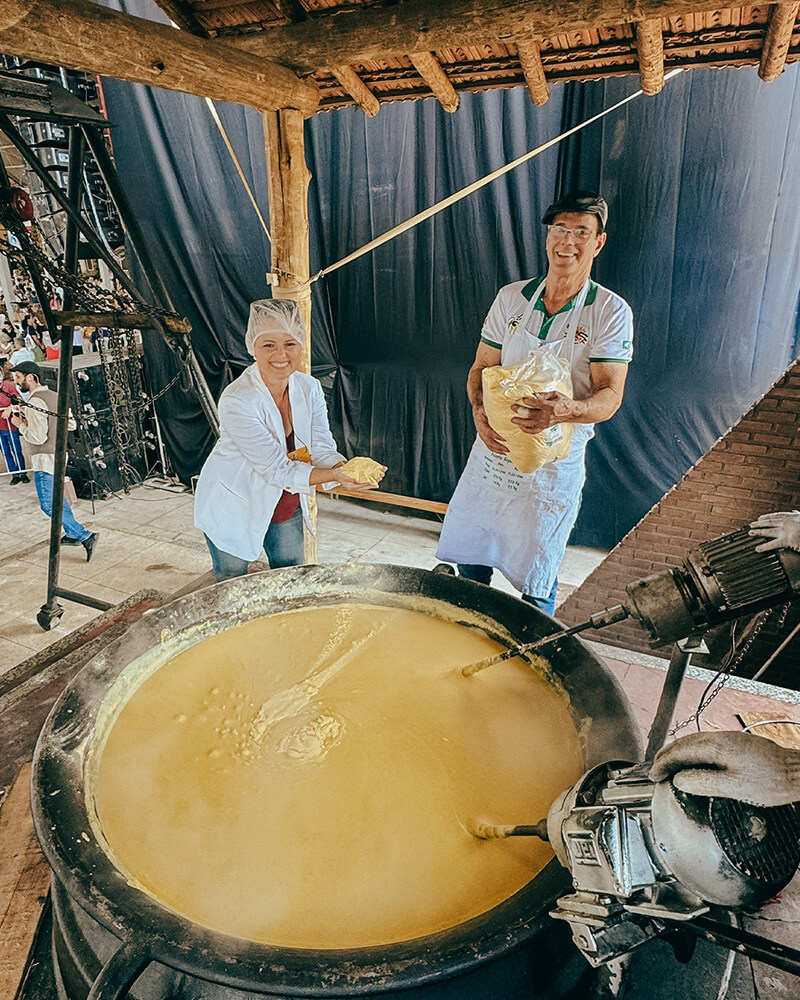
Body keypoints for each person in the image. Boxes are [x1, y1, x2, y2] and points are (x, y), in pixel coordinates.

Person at [436, 191, 633, 616]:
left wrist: (565, 410)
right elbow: (481, 368)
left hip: (552, 468)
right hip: (495, 454)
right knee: (472, 559)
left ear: (598, 242)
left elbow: (610, 396)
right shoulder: (513, 298)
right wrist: (478, 413)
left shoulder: (609, 311)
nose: (568, 241)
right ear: (548, 237)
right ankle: (463, 636)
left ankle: (532, 656)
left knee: (537, 571)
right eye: (560, 229)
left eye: (582, 231)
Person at [195, 299, 384, 582]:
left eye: (290, 344)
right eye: (268, 344)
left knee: (290, 578)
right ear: (253, 348)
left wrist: (345, 468)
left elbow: (320, 446)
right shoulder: (238, 400)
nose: (280, 354)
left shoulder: (309, 388)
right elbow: (276, 469)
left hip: (285, 502)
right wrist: (334, 475)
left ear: (301, 346)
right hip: (234, 502)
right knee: (232, 583)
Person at [2, 361, 98, 558]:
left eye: (18, 377)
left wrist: (20, 424)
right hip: (59, 455)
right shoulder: (55, 396)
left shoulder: (36, 402)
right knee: (57, 499)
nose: (16, 382)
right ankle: (72, 533)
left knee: (48, 504)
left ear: (31, 377)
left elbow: (37, 437)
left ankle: (84, 535)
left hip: (45, 459)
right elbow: (70, 425)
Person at [0, 360, 27, 484]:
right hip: (0, 428)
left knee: (16, 449)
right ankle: (14, 474)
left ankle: (23, 472)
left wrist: (10, 407)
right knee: (5, 452)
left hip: (10, 425)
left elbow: (19, 399)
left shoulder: (8, 387)